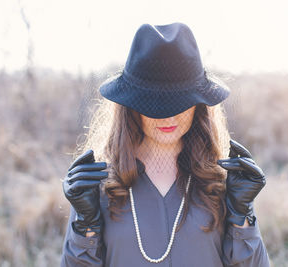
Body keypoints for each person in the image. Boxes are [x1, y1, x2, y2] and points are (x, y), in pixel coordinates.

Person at [60, 22, 271, 266]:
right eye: (155, 105)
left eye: (180, 103)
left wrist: (241, 216)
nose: (169, 117)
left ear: (199, 106)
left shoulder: (222, 181)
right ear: (132, 106)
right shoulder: (98, 184)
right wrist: (85, 225)